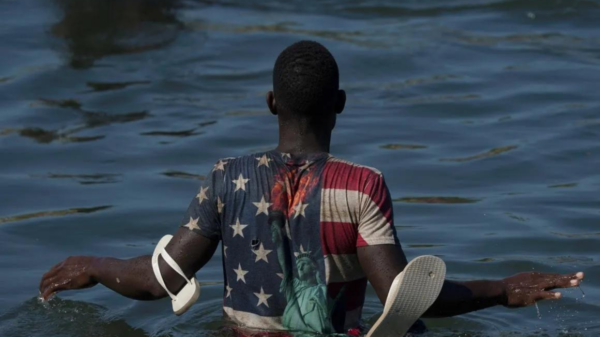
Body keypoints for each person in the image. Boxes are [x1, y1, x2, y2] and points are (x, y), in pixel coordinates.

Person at [39, 41, 584, 336]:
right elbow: (404, 297)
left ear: (271, 103)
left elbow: (159, 281)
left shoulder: (226, 177)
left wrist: (93, 263)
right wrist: (503, 288)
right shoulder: (363, 186)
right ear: (340, 104)